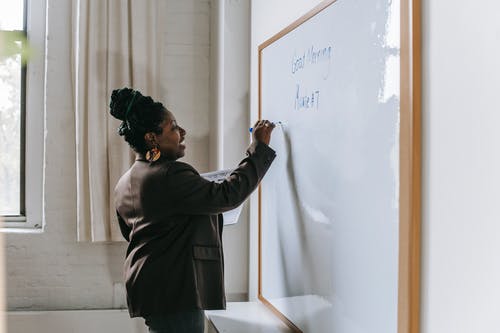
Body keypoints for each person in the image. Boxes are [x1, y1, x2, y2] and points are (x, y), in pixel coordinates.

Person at [109, 87, 276, 333]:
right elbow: (228, 194)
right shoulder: (169, 174)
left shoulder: (125, 181)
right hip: (176, 292)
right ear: (151, 138)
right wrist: (258, 148)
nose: (182, 132)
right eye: (174, 127)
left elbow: (137, 233)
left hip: (150, 289)